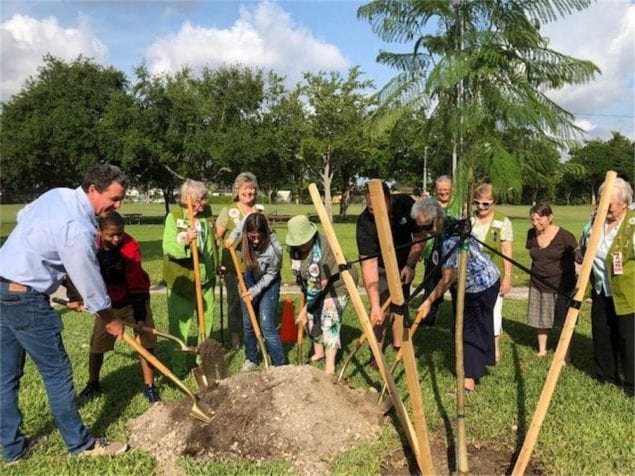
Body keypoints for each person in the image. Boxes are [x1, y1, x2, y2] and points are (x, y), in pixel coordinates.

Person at [0, 163, 129, 463]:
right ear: (93, 190)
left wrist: (69, 289)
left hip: (3, 286)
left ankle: (13, 450)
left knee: (5, 377)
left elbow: (25, 219)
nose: (118, 206)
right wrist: (110, 319)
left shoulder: (56, 195)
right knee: (57, 374)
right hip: (27, 298)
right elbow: (90, 281)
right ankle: (81, 445)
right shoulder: (79, 228)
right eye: (115, 198)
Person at [413, 197, 500, 391]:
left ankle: (468, 381)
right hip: (472, 284)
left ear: (437, 219)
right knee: (465, 326)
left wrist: (428, 301)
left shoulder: (450, 237)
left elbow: (448, 277)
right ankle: (479, 364)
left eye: (427, 226)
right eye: (420, 227)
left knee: (470, 329)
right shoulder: (447, 225)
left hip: (481, 284)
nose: (425, 231)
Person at [72, 211, 159, 403]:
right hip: (107, 306)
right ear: (100, 231)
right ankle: (93, 383)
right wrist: (76, 297)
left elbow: (137, 283)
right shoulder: (90, 246)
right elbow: (79, 273)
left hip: (133, 301)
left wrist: (139, 316)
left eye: (120, 233)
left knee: (146, 342)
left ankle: (149, 386)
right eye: (111, 234)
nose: (117, 238)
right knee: (97, 345)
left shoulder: (130, 247)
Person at [356, 182, 424, 357]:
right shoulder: (365, 224)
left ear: (389, 199)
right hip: (379, 266)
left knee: (399, 306)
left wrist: (410, 265)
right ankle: (376, 353)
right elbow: (368, 263)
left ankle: (398, 346)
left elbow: (419, 236)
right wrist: (374, 305)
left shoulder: (406, 204)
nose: (374, 212)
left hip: (403, 264)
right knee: (380, 310)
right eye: (370, 208)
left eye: (378, 207)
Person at [580, 178, 634, 396]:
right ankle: (606, 377)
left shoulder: (632, 225)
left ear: (624, 203)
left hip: (628, 291)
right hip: (602, 288)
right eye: (602, 203)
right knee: (602, 333)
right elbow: (583, 246)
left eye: (609, 205)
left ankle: (632, 385)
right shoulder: (595, 222)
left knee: (629, 339)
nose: (605, 209)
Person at [286, 215, 356, 375]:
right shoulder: (294, 250)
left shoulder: (324, 247)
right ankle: (319, 352)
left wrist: (304, 309)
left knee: (329, 320)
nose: (302, 245)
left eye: (304, 240)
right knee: (312, 318)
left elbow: (321, 285)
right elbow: (301, 273)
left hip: (337, 284)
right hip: (313, 285)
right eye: (298, 242)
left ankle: (330, 367)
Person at [162, 179, 217, 378]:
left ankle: (204, 362)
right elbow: (168, 247)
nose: (204, 203)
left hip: (206, 281)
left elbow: (210, 244)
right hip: (183, 281)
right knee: (180, 326)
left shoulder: (204, 216)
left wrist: (215, 263)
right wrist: (185, 241)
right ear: (188, 199)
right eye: (201, 199)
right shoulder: (174, 216)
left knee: (207, 325)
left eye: (204, 199)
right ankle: (179, 367)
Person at [227, 212, 286, 370]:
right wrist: (232, 236)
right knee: (248, 324)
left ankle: (279, 364)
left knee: (267, 325)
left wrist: (254, 291)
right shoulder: (247, 224)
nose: (256, 241)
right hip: (249, 277)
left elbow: (271, 275)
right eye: (252, 236)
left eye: (260, 236)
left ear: (266, 233)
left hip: (269, 282)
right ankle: (251, 358)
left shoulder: (275, 250)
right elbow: (243, 222)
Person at [215, 172, 263, 349]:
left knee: (253, 299)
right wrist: (217, 262)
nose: (249, 192)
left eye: (252, 188)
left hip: (253, 265)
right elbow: (217, 237)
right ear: (237, 190)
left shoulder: (259, 211)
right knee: (234, 301)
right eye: (245, 188)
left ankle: (253, 334)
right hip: (232, 265)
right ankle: (235, 336)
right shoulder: (228, 210)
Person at [526, 202, 577, 357]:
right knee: (540, 319)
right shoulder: (531, 234)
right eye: (533, 220)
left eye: (539, 219)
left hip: (561, 285)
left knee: (564, 322)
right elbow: (534, 255)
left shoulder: (565, 236)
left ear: (550, 218)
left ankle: (565, 354)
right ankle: (542, 349)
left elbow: (578, 256)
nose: (535, 223)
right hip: (538, 283)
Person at [470, 184, 513, 361]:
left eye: (486, 204)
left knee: (494, 311)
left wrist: (507, 277)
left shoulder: (503, 221)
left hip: (493, 275)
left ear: (494, 203)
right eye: (477, 203)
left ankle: (494, 348)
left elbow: (506, 251)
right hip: (471, 275)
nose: (481, 207)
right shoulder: (469, 220)